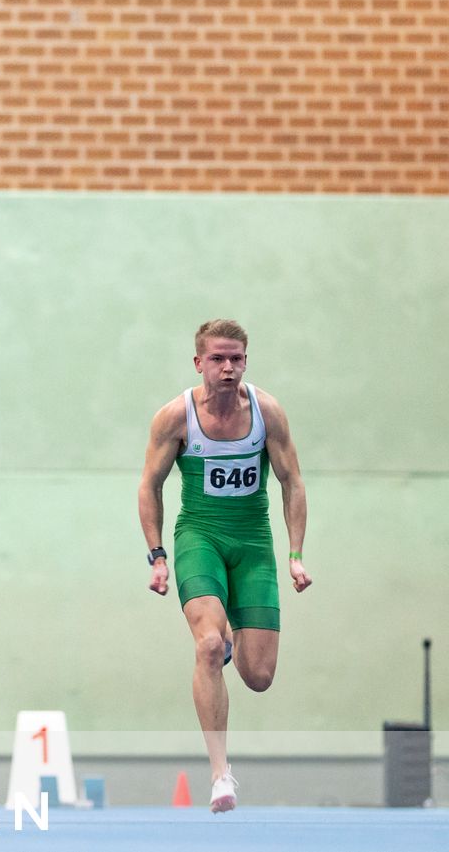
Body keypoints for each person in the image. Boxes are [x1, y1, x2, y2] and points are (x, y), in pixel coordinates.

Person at [137, 319, 311, 813]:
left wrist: (295, 555)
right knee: (209, 645)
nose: (228, 367)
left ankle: (235, 629)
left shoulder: (267, 412)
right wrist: (157, 556)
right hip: (200, 537)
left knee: (258, 676)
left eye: (236, 358)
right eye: (218, 358)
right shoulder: (175, 418)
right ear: (199, 363)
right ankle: (220, 774)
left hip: (253, 542)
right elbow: (149, 486)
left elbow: (292, 482)